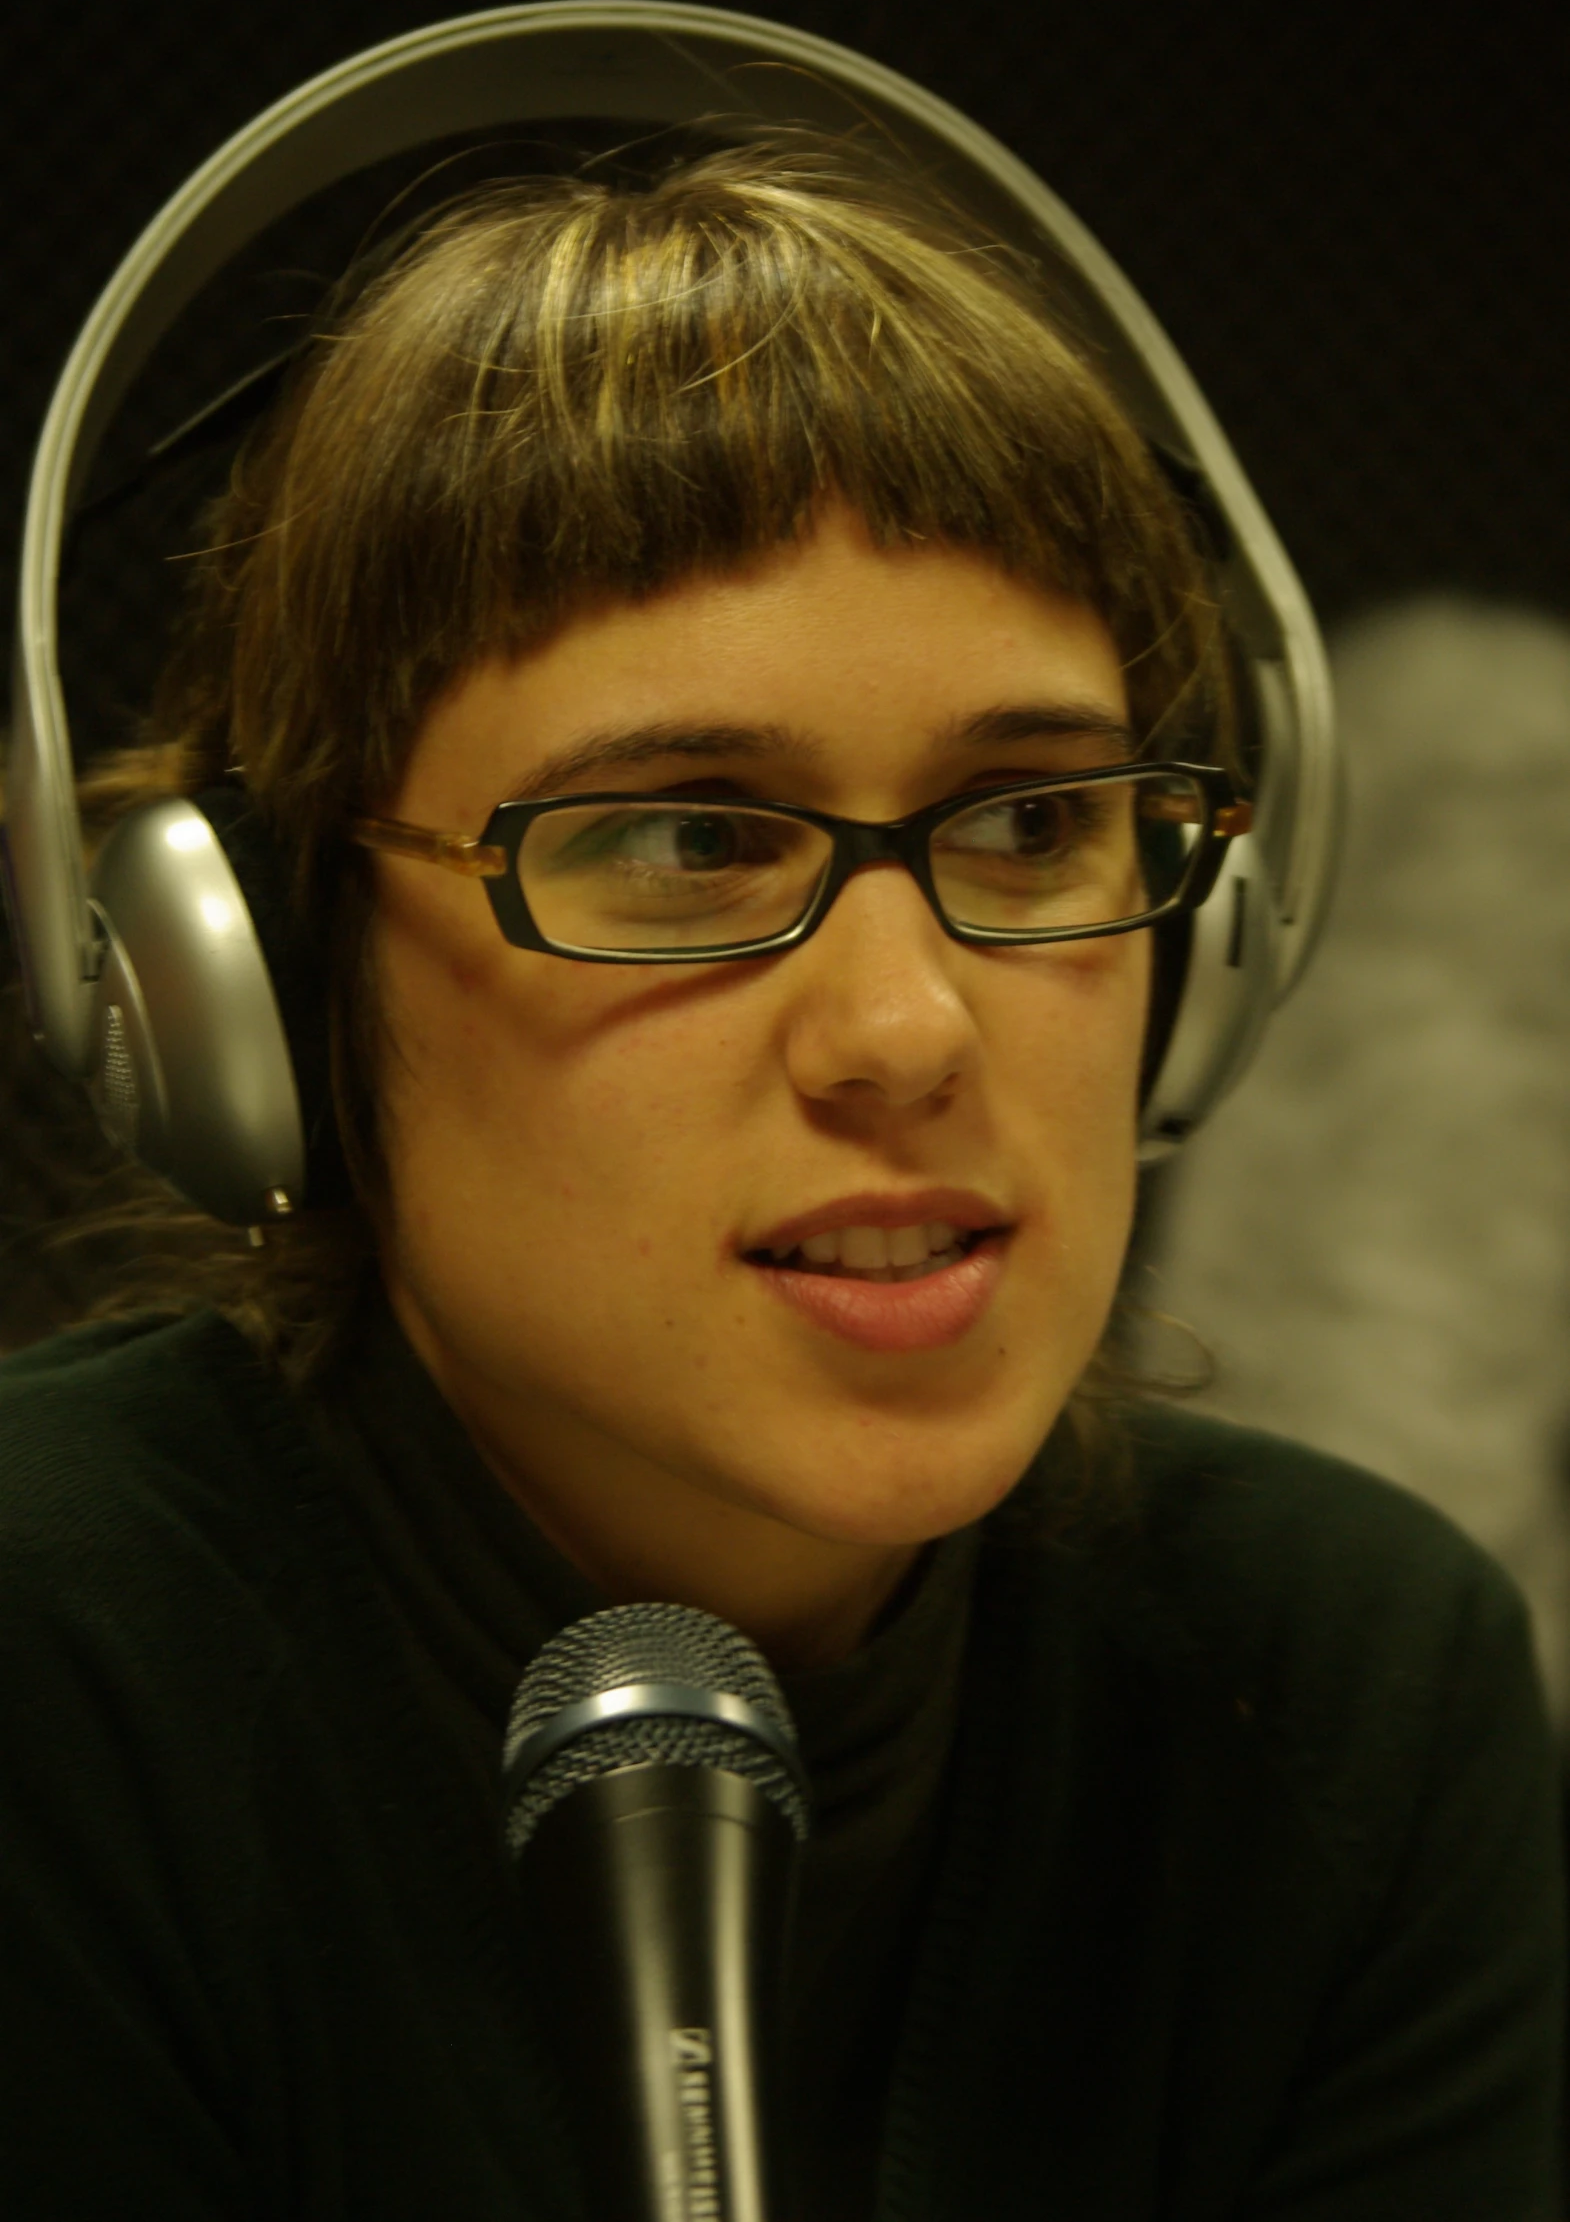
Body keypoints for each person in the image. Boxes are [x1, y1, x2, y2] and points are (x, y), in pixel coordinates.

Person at [0, 139, 1560, 2220]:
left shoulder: (1341, 1685)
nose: (906, 1030)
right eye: (681, 842)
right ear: (266, 984)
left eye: (1029, 822)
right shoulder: (52, 1677)